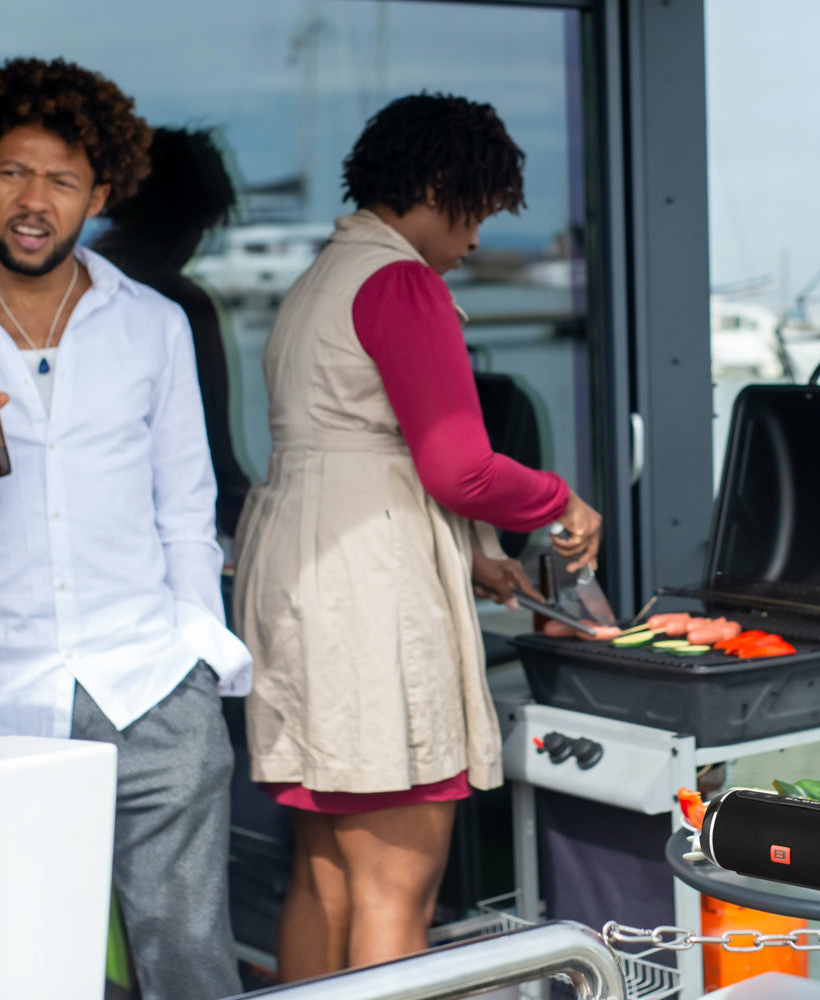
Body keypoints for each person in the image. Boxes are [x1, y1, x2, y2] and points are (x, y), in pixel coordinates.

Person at [232, 92, 604, 981]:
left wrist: (470, 556)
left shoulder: (322, 275)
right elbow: (458, 468)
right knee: (396, 891)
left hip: (303, 581)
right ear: (438, 186)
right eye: (474, 210)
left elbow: (352, 455)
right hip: (367, 606)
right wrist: (560, 501)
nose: (475, 239)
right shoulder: (400, 281)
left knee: (322, 882)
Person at [0, 58, 250, 1000]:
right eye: (13, 174)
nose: (35, 201)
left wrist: (201, 656)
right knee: (6, 973)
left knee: (190, 968)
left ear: (99, 194)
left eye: (62, 180)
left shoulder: (153, 325)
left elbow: (186, 509)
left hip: (151, 688)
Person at [94, 126, 250, 537]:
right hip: (155, 537)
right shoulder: (182, 305)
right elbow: (214, 456)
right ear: (190, 220)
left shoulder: (61, 288)